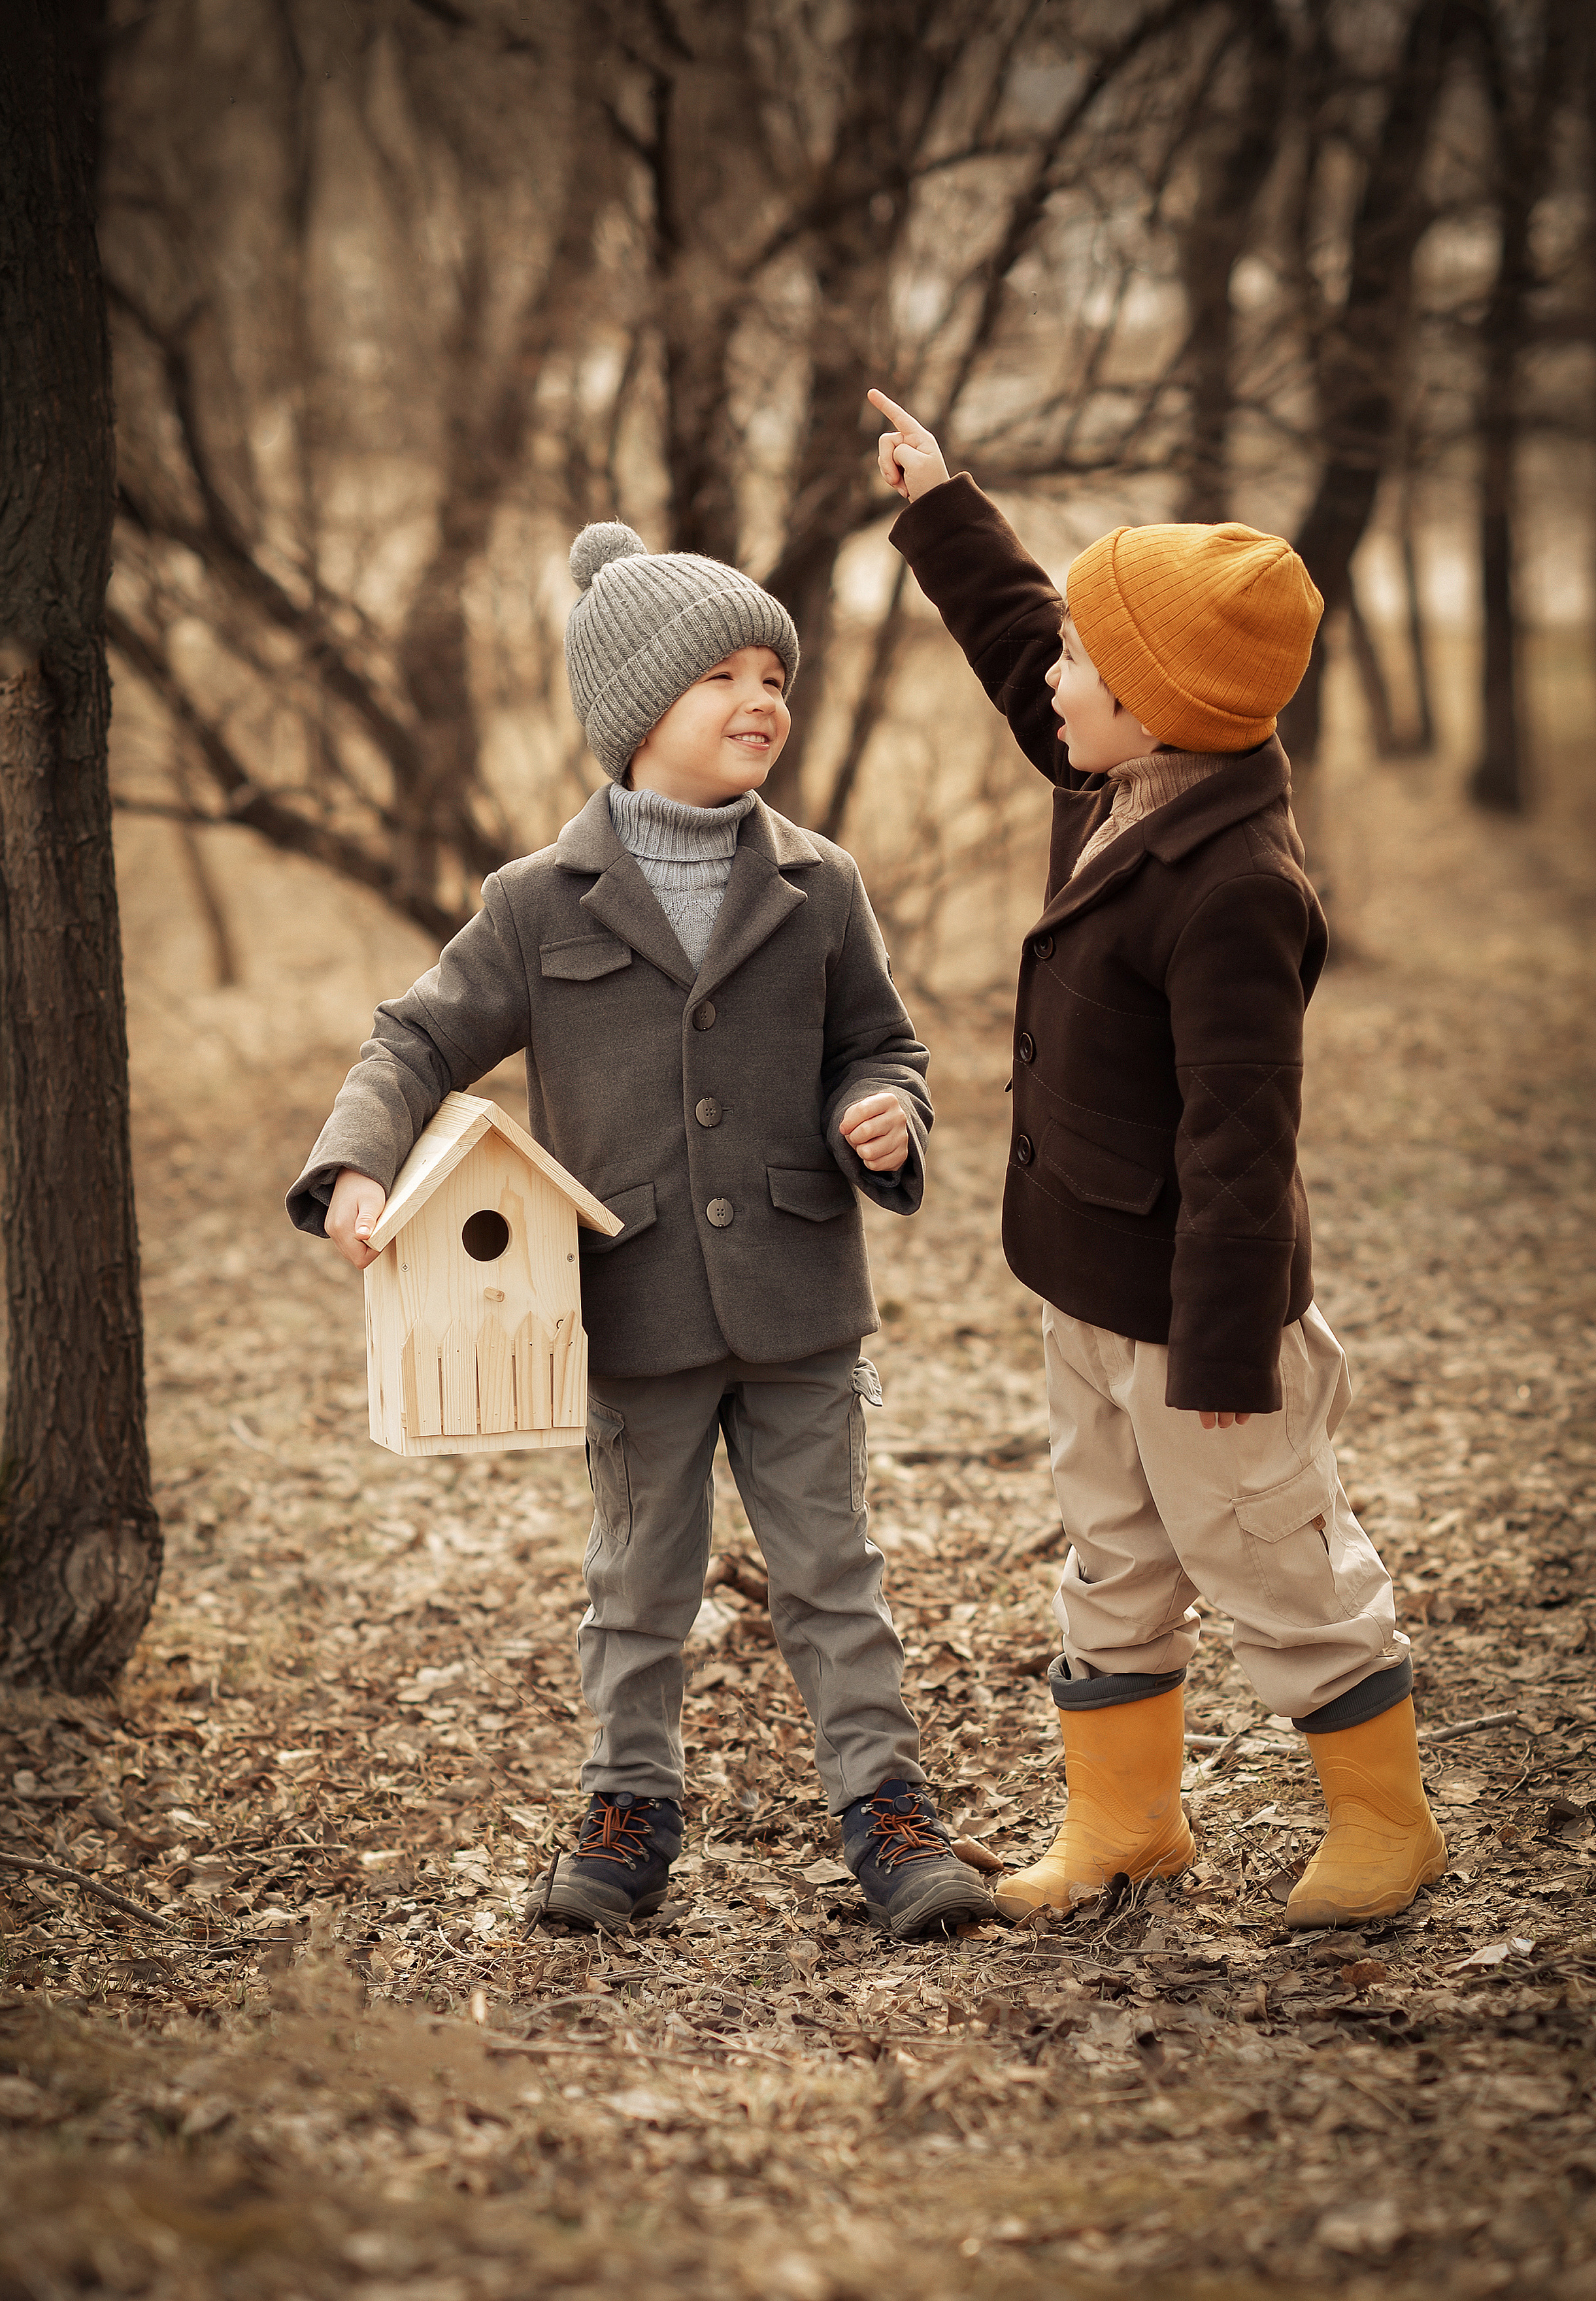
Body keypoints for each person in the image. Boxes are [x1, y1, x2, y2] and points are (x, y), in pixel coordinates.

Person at [286, 520, 995, 1940]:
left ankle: (888, 1815)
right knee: (636, 1582)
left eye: (773, 677)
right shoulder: (535, 904)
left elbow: (884, 1046)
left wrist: (884, 1114)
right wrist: (354, 1166)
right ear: (631, 713)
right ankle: (627, 1814)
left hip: (797, 1298)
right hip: (631, 1304)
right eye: (722, 676)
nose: (760, 702)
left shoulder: (820, 885)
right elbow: (413, 1041)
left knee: (832, 1574)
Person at [865, 389, 1446, 1930]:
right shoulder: (1115, 777)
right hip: (1084, 1274)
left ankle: (1384, 1827)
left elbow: (1241, 1138)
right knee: (1109, 1553)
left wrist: (1218, 1350)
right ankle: (1125, 1822)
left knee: (1274, 1561)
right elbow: (1014, 644)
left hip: (1203, 1325)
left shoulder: (1236, 885)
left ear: (1157, 704)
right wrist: (939, 507)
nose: (1050, 675)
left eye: (1082, 662)